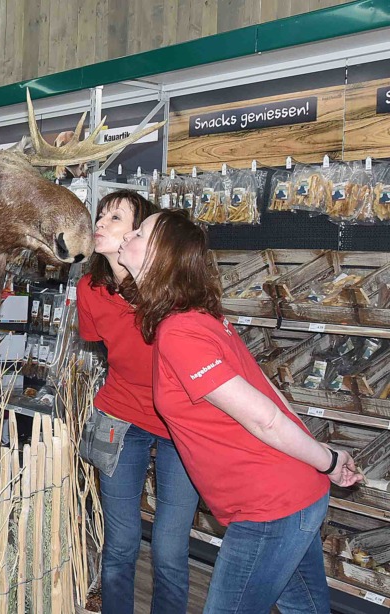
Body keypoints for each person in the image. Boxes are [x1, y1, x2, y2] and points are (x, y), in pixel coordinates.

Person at [117, 209, 363, 613]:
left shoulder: (181, 331)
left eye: (140, 232)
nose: (129, 234)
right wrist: (321, 458)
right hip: (293, 497)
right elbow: (269, 391)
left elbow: (263, 415)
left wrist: (330, 461)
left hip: (270, 508)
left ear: (164, 254)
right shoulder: (198, 318)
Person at [76, 190, 198, 614]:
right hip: (120, 417)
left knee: (169, 548)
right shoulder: (88, 288)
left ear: (140, 234)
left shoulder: (171, 288)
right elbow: (99, 343)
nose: (102, 223)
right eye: (101, 215)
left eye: (116, 218)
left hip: (179, 425)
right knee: (121, 542)